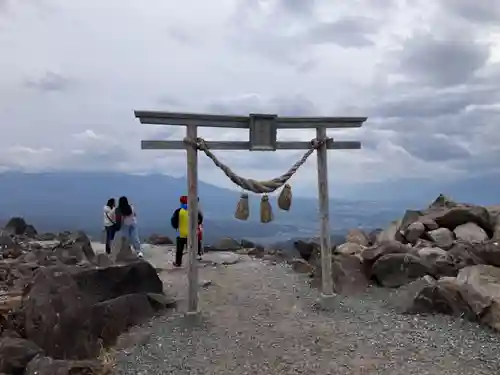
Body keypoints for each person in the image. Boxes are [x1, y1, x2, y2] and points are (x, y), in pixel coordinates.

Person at [171, 195, 204, 267]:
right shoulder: (194, 211)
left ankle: (178, 263)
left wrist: (176, 226)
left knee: (179, 250)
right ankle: (193, 262)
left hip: (181, 234)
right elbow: (200, 220)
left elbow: (174, 221)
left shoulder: (178, 211)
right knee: (192, 249)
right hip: (192, 234)